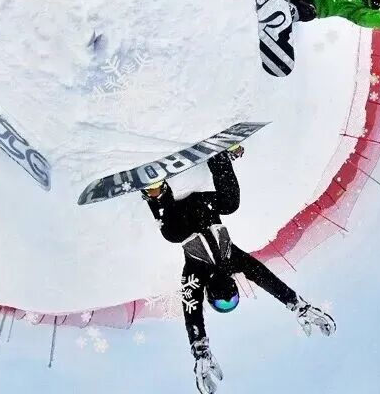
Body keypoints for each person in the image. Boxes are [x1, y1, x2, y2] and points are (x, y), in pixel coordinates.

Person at [143, 149, 334, 394]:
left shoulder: (196, 275)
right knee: (230, 204)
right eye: (231, 299)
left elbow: (192, 309)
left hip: (179, 215)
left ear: (210, 297)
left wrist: (200, 348)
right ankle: (219, 158)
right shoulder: (232, 261)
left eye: (221, 302)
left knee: (172, 234)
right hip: (205, 206)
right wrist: (297, 304)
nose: (225, 296)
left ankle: (157, 192)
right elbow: (266, 278)